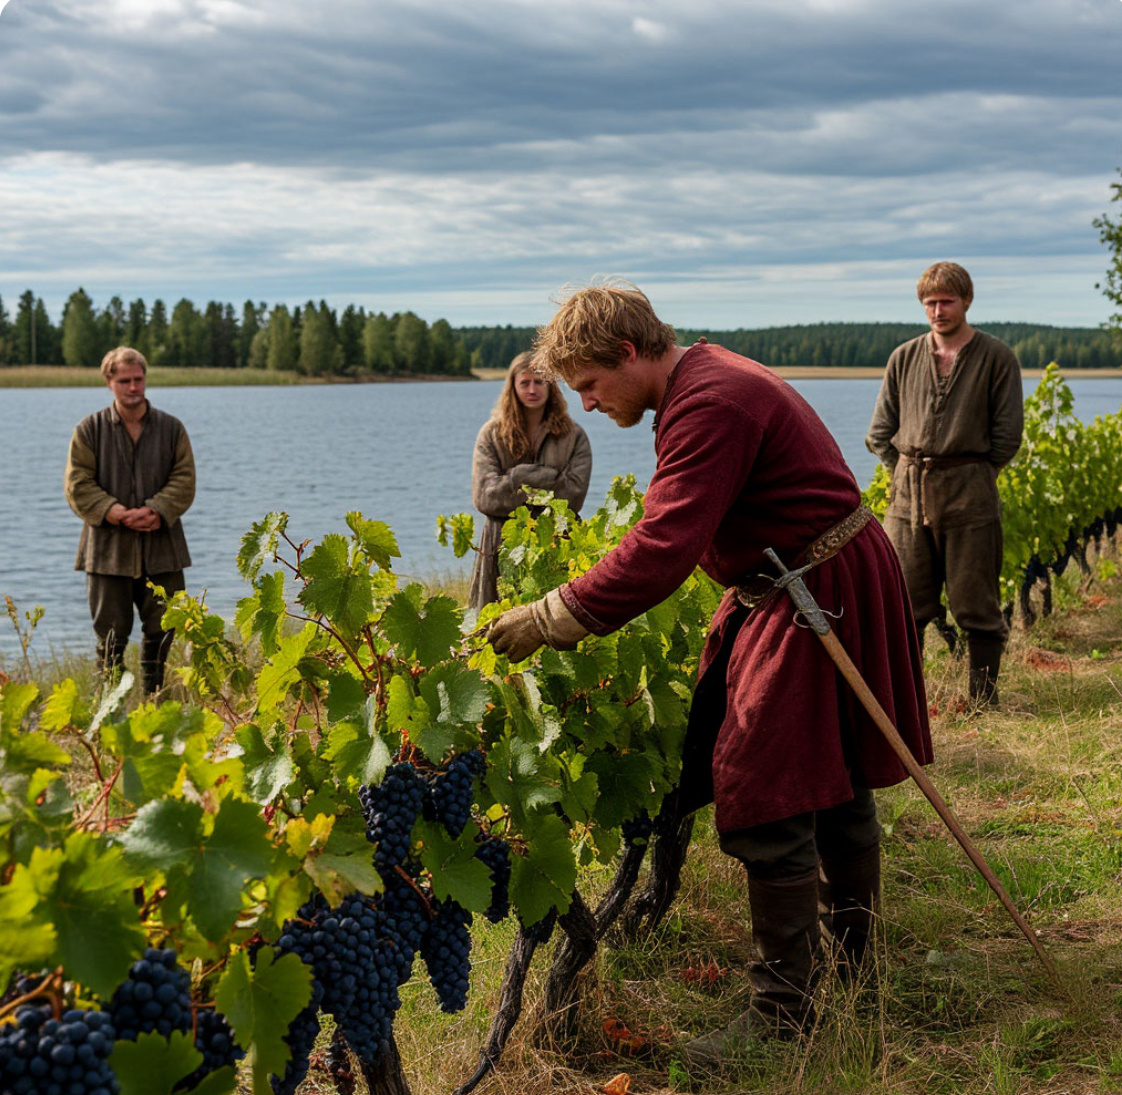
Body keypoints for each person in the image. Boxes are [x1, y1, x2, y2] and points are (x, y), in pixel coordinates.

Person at [487, 284, 932, 1061]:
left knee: (771, 783)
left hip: (814, 589)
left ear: (629, 353)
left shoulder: (710, 402)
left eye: (590, 384)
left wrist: (550, 614)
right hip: (808, 582)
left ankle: (783, 1013)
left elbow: (664, 546)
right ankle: (853, 971)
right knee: (832, 775)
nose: (587, 404)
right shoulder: (702, 381)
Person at [866, 262, 1023, 704]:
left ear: (966, 301)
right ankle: (907, 704)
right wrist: (903, 471)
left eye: (947, 301)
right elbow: (880, 431)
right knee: (905, 606)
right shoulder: (904, 357)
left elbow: (1007, 436)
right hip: (908, 499)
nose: (938, 310)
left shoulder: (996, 358)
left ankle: (982, 700)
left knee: (977, 605)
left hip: (970, 495)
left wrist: (973, 475)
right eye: (930, 302)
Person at [64, 346, 195, 694]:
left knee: (164, 630)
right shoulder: (89, 430)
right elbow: (77, 483)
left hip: (163, 548)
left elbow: (184, 478)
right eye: (125, 380)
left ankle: (155, 702)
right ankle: (109, 714)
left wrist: (158, 509)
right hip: (107, 552)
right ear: (109, 382)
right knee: (109, 638)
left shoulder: (171, 429)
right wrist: (114, 512)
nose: (134, 387)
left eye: (139, 379)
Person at [469, 351, 592, 610]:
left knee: (557, 628)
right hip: (500, 544)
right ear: (513, 387)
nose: (532, 389)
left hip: (557, 541)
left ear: (551, 386)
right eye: (525, 383)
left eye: (539, 381)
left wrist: (514, 482)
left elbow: (573, 497)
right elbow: (485, 496)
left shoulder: (574, 436)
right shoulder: (491, 435)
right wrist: (539, 478)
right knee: (494, 628)